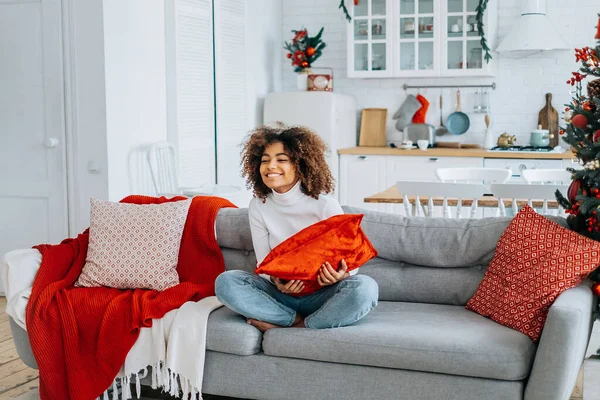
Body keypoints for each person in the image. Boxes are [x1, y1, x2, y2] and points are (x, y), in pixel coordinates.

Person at [215, 124, 378, 332]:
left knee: (365, 288)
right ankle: (291, 320)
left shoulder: (324, 204)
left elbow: (351, 262)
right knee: (226, 282)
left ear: (299, 165)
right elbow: (264, 263)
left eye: (281, 160)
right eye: (265, 160)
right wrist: (276, 280)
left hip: (323, 295)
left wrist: (340, 276)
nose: (270, 166)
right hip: (280, 296)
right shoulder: (258, 205)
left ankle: (299, 325)